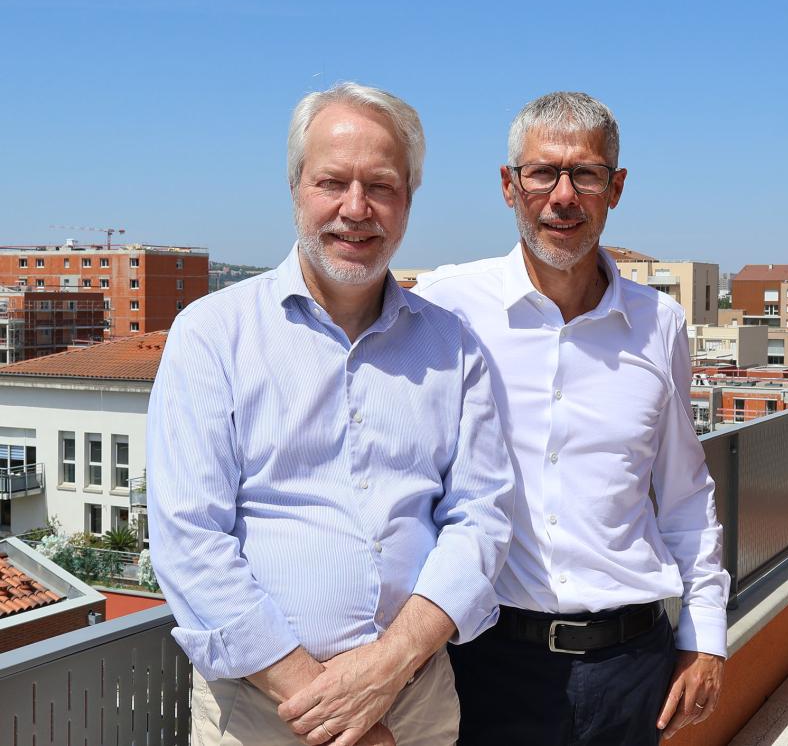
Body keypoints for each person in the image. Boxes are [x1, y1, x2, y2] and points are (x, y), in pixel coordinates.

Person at [147, 82, 514, 746]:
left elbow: (482, 519)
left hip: (416, 704)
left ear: (408, 200)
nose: (356, 208)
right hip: (260, 716)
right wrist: (330, 707)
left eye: (381, 185)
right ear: (295, 189)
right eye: (332, 182)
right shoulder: (211, 335)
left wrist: (385, 672)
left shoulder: (454, 348)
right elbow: (189, 542)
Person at [415, 91, 730, 746]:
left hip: (632, 666)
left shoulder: (659, 324)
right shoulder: (448, 307)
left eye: (585, 174)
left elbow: (685, 495)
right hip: (485, 660)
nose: (563, 196)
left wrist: (706, 637)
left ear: (614, 188)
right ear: (509, 186)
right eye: (542, 173)